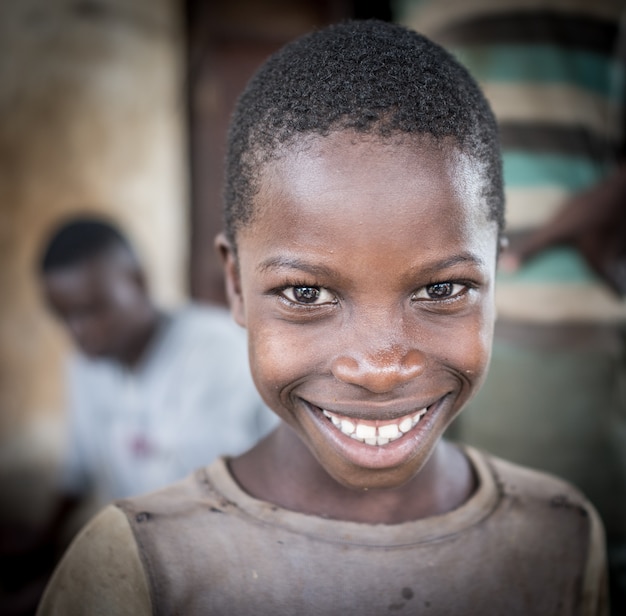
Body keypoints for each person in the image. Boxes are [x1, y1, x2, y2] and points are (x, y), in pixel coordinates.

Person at [37, 21, 608, 615]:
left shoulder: (561, 535)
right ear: (235, 284)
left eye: (442, 288)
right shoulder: (138, 563)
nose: (381, 368)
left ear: (492, 274)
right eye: (306, 295)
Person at [396, 2, 626, 610]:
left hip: (547, 310)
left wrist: (590, 213)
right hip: (417, 311)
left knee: (556, 555)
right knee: (443, 550)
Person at [39, 217, 276, 505]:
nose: (78, 331)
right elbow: (78, 473)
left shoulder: (220, 352)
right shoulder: (86, 366)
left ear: (138, 281)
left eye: (93, 310)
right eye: (64, 316)